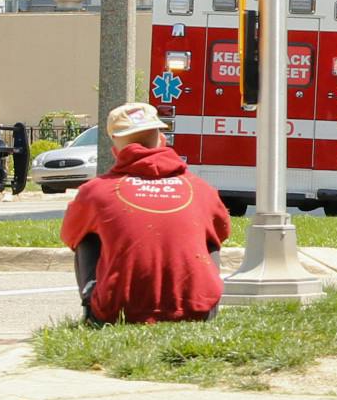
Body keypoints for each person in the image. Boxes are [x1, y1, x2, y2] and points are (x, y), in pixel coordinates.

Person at [60, 103, 230, 326]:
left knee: (86, 235)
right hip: (199, 313)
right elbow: (223, 232)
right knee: (210, 237)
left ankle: (91, 309)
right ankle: (202, 298)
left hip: (118, 313)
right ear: (162, 140)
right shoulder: (200, 188)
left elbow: (70, 235)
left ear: (115, 150)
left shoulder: (95, 191)